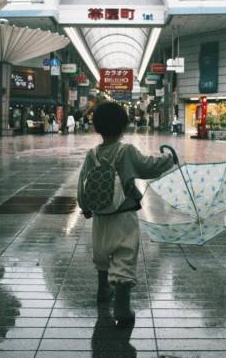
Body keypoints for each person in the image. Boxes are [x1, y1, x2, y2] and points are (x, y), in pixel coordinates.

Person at [77, 102, 174, 326]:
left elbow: (83, 184)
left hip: (100, 216)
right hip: (124, 215)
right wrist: (168, 159)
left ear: (97, 127)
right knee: (124, 256)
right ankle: (122, 307)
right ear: (124, 127)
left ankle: (103, 290)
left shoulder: (92, 154)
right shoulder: (126, 151)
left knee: (102, 257)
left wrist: (85, 207)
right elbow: (148, 166)